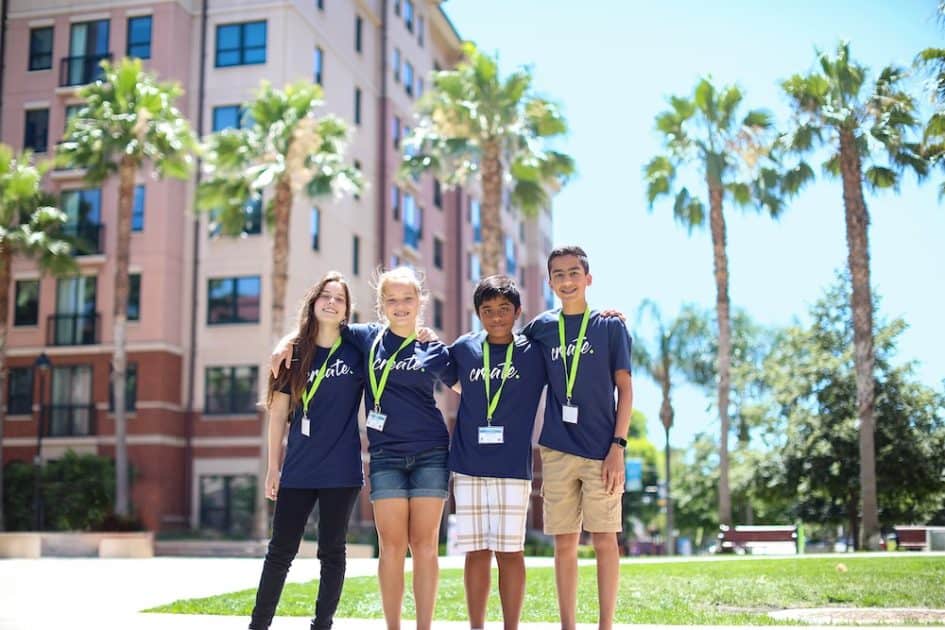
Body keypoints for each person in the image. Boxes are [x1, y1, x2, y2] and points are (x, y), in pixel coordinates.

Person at [272, 266, 451, 630]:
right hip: (385, 455)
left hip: (431, 452)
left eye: (408, 298)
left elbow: (468, 386)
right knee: (392, 546)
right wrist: (283, 343)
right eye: (392, 299)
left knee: (425, 544)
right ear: (381, 304)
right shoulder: (367, 337)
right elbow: (321, 325)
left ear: (420, 301)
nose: (400, 306)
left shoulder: (434, 348)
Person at [520, 245, 633, 630]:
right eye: (558, 274)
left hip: (603, 451)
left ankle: (605, 625)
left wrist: (618, 446)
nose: (567, 281)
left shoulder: (609, 326)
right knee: (565, 543)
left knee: (605, 540)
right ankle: (568, 625)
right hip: (556, 449)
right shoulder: (541, 328)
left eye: (574, 273)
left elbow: (626, 389)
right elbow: (503, 352)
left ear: (588, 278)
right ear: (549, 281)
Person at [249, 271, 364, 630]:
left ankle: (322, 624)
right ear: (313, 303)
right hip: (298, 468)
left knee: (332, 552)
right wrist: (273, 467)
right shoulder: (294, 353)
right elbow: (278, 412)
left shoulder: (357, 349)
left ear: (347, 311)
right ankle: (258, 625)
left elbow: (394, 334)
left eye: (339, 298)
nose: (331, 302)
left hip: (342, 471)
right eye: (325, 296)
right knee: (280, 551)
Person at [441, 275, 546, 630]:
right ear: (478, 314)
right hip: (468, 465)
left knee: (510, 551)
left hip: (513, 468)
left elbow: (568, 325)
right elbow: (436, 364)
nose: (496, 317)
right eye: (487, 310)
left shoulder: (534, 351)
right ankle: (476, 626)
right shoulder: (464, 348)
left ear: (517, 312)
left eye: (504, 309)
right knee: (475, 551)